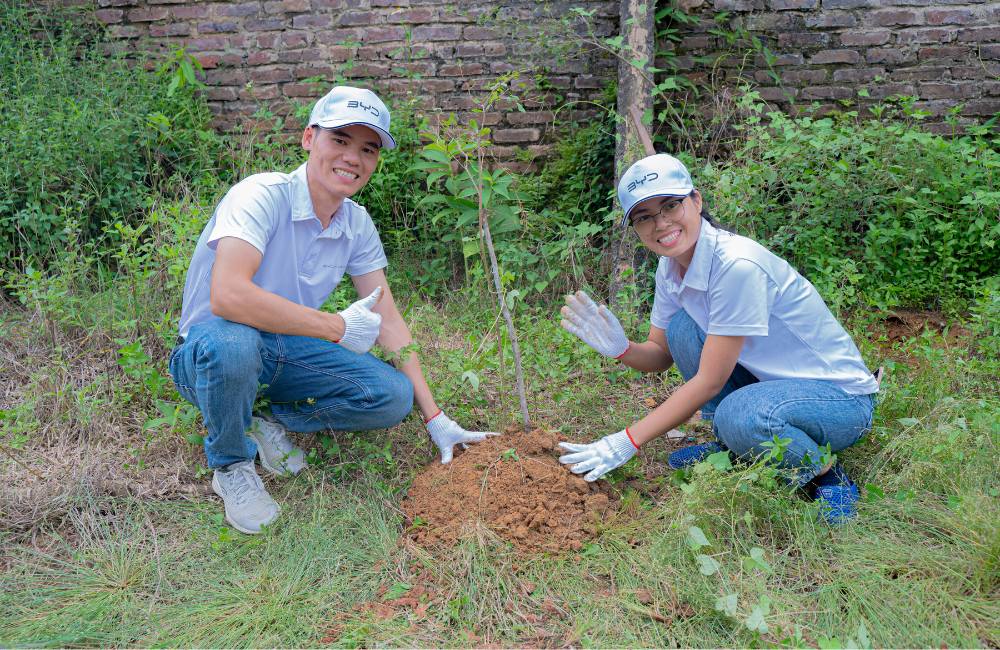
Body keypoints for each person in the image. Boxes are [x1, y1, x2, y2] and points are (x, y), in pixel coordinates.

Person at [169, 86, 497, 534]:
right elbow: (229, 297)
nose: (352, 158)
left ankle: (262, 418)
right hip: (209, 353)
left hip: (281, 350)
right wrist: (336, 326)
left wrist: (435, 416)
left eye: (368, 149)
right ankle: (230, 464)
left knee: (390, 396)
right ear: (309, 138)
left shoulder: (355, 223)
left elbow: (390, 320)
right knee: (235, 342)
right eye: (339, 140)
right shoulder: (262, 195)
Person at [557, 153, 878, 524]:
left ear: (696, 201)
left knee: (739, 415)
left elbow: (709, 382)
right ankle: (734, 445)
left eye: (671, 205)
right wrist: (622, 349)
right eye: (644, 217)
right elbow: (661, 353)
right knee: (683, 327)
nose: (661, 223)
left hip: (840, 402)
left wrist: (626, 440)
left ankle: (826, 475)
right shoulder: (671, 266)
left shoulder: (737, 266)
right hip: (773, 385)